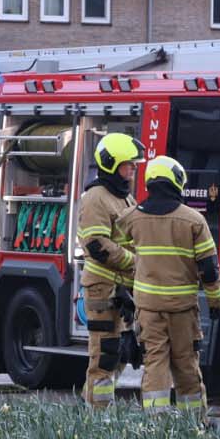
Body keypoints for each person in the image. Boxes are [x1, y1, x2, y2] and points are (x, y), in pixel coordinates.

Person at [118, 155, 220, 425]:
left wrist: (122, 288)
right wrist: (216, 302)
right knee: (186, 364)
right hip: (182, 309)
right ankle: (195, 423)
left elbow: (116, 252)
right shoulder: (193, 221)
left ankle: (156, 423)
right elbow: (209, 269)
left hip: (148, 308)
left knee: (155, 363)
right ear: (178, 182)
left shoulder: (131, 219)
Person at [76, 132, 140, 409]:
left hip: (121, 287)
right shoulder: (96, 198)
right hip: (103, 287)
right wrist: (135, 263)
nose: (133, 170)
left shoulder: (124, 197)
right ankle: (99, 416)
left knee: (121, 353)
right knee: (104, 354)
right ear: (112, 164)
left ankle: (89, 405)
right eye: (128, 165)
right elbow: (96, 245)